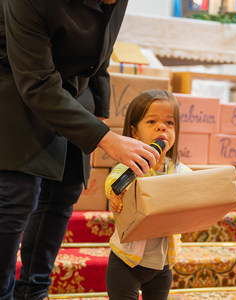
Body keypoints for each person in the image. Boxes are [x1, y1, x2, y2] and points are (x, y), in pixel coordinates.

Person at [0, 1, 160, 300]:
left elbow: (101, 53)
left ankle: (33, 293)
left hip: (72, 86)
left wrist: (98, 110)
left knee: (66, 188)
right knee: (16, 195)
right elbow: (35, 81)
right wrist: (107, 139)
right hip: (13, 80)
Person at [105, 89, 192, 300]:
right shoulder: (132, 166)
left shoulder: (180, 170)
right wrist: (115, 193)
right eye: (152, 122)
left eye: (169, 123)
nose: (162, 127)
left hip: (162, 265)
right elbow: (114, 179)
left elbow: (196, 188)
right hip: (126, 262)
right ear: (135, 133)